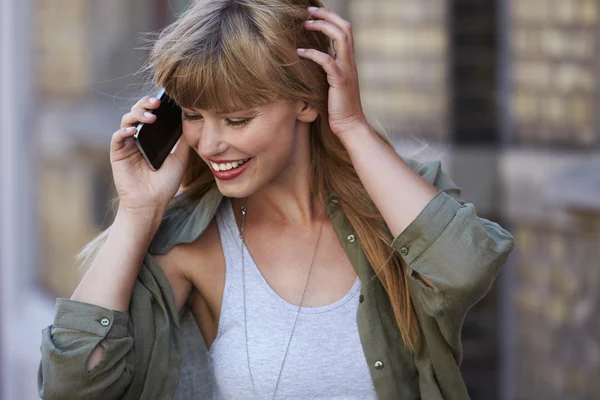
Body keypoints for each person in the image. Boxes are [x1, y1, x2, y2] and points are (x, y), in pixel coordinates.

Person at [38, 1, 515, 399]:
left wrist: (350, 126)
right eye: (193, 115)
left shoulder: (392, 207)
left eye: (237, 119)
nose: (210, 144)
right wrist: (138, 213)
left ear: (306, 103)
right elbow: (72, 385)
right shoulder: (189, 246)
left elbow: (465, 268)